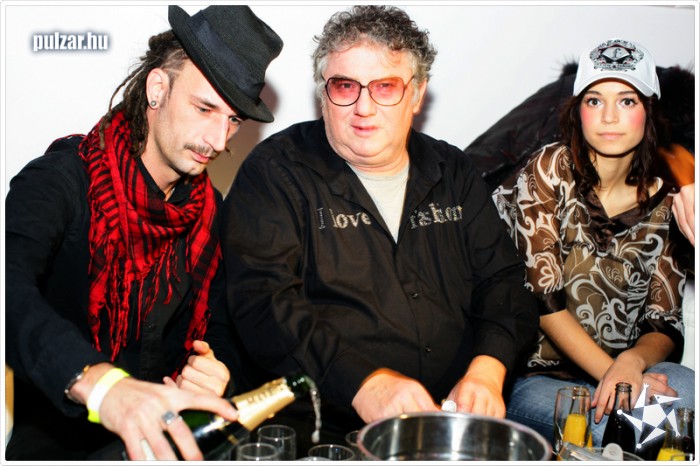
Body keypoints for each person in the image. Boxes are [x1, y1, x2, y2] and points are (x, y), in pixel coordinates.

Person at [209, 5, 539, 445]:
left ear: (417, 95)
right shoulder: (275, 172)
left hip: (448, 429)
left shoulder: (453, 171)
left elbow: (503, 283)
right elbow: (264, 303)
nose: (363, 107)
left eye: (385, 87)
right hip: (325, 435)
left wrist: (488, 368)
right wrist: (364, 383)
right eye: (345, 86)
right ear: (323, 94)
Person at [4, 5, 282, 460]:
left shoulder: (209, 211)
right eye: (205, 108)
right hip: (62, 449)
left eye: (233, 120)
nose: (219, 140)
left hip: (165, 447)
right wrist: (98, 384)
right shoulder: (61, 181)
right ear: (157, 89)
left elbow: (223, 326)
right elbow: (7, 290)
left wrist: (217, 371)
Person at [492, 38, 695, 449]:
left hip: (625, 371)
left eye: (626, 101)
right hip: (534, 377)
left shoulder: (668, 202)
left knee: (687, 392)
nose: (609, 117)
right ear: (577, 111)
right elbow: (543, 301)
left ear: (648, 111)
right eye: (594, 100)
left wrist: (632, 362)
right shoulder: (549, 170)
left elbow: (663, 322)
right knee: (627, 431)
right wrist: (614, 376)